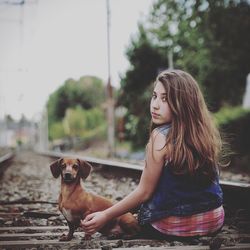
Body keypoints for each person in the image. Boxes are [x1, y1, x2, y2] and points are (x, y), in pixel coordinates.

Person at [81, 69, 224, 239]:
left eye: (165, 99)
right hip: (214, 220)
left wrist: (106, 215)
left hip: (175, 226)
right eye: (155, 96)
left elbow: (144, 192)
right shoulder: (203, 134)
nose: (155, 105)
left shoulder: (160, 136)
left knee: (125, 222)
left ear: (183, 103)